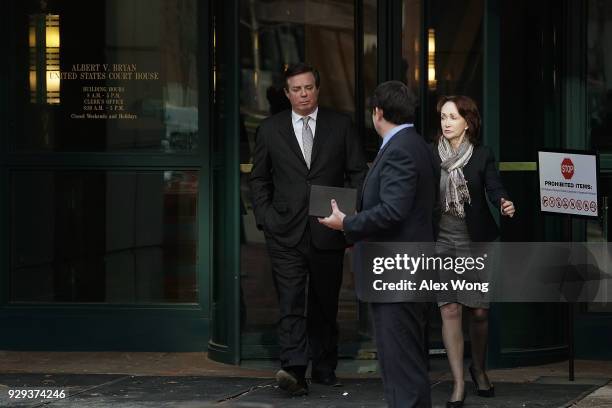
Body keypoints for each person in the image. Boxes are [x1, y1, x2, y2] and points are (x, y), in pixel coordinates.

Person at [249, 62, 368, 396]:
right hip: (283, 231)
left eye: (308, 88)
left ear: (318, 89)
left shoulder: (341, 125)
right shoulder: (270, 129)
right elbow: (258, 178)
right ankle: (295, 369)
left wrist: (347, 215)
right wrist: (266, 218)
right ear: (287, 94)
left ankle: (325, 366)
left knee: (324, 302)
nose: (303, 94)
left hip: (327, 227)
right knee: (290, 302)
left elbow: (358, 173)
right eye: (296, 89)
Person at [319, 80, 436, 408]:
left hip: (396, 269)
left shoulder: (399, 149)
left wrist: (348, 223)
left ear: (378, 113)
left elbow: (394, 210)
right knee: (407, 359)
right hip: (408, 266)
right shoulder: (419, 145)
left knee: (400, 361)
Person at [433, 95, 515, 408]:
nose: (447, 123)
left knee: (479, 312)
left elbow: (493, 186)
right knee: (450, 309)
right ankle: (457, 383)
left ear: (469, 121)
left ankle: (478, 366)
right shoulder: (431, 155)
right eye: (443, 117)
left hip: (476, 242)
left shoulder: (481, 155)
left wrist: (503, 202)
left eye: (453, 117)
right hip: (442, 241)